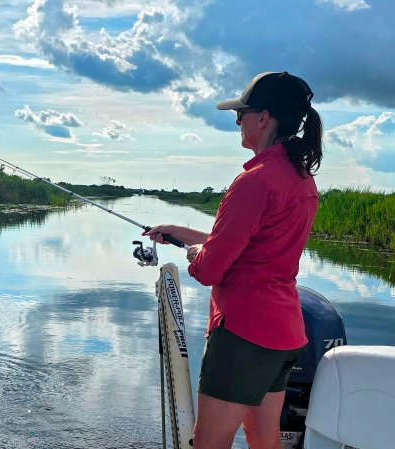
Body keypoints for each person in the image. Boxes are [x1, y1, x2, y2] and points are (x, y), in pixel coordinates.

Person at [144, 71, 323, 449]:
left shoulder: (254, 182)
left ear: (264, 118)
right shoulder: (301, 179)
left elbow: (209, 269)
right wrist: (182, 231)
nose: (237, 120)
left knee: (209, 441)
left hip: (244, 334)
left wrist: (194, 254)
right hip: (283, 334)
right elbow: (251, 248)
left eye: (242, 113)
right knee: (263, 438)